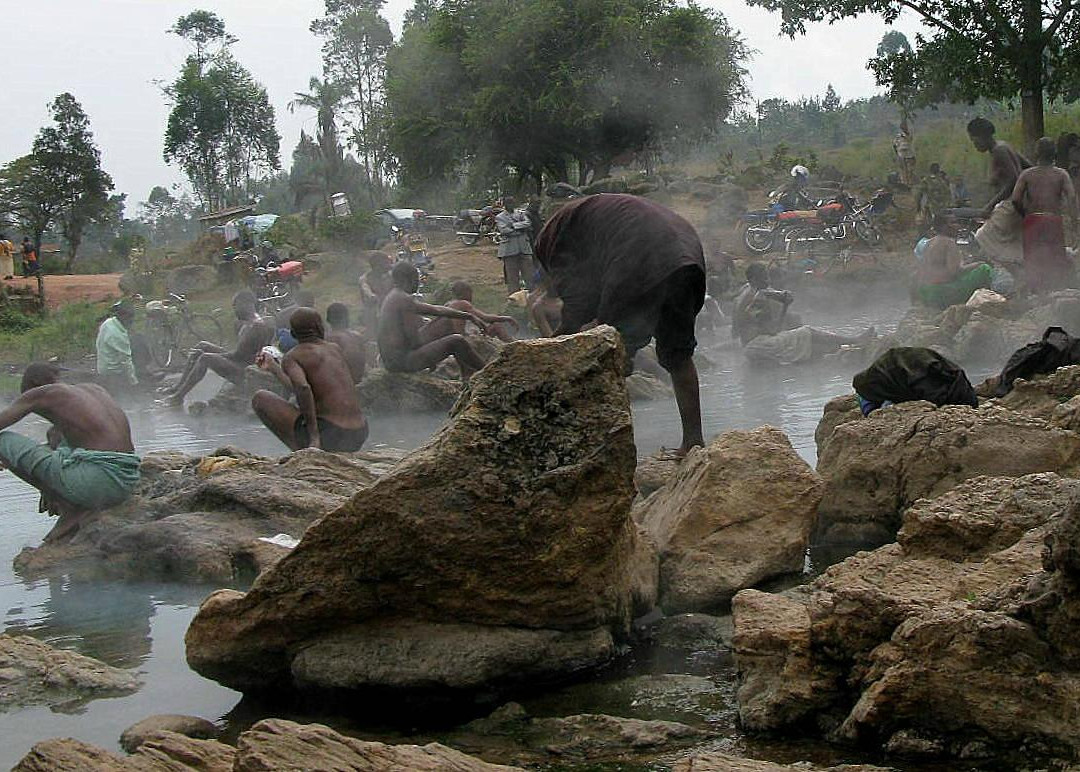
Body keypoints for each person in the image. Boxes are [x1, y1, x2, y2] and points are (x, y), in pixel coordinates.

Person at [534, 193, 706, 455]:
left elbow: (578, 304)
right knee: (678, 356)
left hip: (639, 257)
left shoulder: (554, 240)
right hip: (687, 255)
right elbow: (589, 296)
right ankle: (693, 442)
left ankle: (607, 449)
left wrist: (548, 351)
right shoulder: (587, 217)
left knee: (612, 354)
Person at [0, 362, 140, 542]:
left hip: (96, 484)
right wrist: (49, 485)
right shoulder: (94, 390)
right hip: (125, 482)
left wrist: (50, 489)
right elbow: (55, 437)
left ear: (34, 384)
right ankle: (69, 498)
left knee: (2, 441)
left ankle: (70, 508)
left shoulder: (43, 393)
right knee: (54, 436)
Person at [251, 308, 368, 452]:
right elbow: (303, 388)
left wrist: (314, 437)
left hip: (332, 433)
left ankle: (302, 454)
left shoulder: (294, 356)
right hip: (360, 431)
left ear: (293, 334)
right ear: (321, 327)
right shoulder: (334, 349)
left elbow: (302, 388)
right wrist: (273, 368)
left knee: (260, 398)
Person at [733, 263, 875, 365]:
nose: (767, 280)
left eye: (767, 277)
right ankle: (852, 341)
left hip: (751, 346)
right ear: (753, 279)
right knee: (806, 332)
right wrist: (785, 307)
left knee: (801, 333)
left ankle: (844, 349)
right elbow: (772, 330)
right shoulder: (757, 298)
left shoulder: (747, 291)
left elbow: (738, 328)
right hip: (759, 347)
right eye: (764, 278)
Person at [378, 262, 490, 381]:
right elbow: (413, 340)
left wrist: (468, 316)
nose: (418, 283)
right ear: (407, 279)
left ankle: (466, 372)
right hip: (401, 361)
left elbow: (436, 309)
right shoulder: (404, 299)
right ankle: (490, 373)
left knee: (445, 321)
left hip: (395, 358)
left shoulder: (396, 295)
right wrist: (431, 357)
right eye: (416, 279)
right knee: (457, 341)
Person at [163, 290, 273, 407]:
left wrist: (213, 356)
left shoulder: (256, 327)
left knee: (205, 358)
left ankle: (178, 397)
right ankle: (178, 387)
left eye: (235, 306)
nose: (234, 310)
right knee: (203, 345)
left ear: (245, 304)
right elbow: (238, 353)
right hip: (240, 360)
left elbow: (237, 356)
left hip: (246, 371)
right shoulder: (245, 324)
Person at [1011, 136, 1079, 293]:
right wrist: (1074, 222)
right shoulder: (1061, 174)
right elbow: (1072, 197)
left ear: (1036, 153)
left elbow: (1015, 199)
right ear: (1054, 154)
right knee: (1055, 258)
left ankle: (1035, 293)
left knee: (1033, 259)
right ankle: (1055, 292)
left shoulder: (1027, 175)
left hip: (1032, 220)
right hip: (1052, 219)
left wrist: (1025, 215)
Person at [914, 214, 994, 308]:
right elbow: (955, 272)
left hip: (925, 292)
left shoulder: (930, 242)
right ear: (943, 226)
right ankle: (984, 301)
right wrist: (977, 264)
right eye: (953, 222)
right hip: (940, 293)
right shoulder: (949, 243)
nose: (958, 226)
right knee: (984, 268)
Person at [420, 280, 519, 343]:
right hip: (460, 341)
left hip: (448, 340)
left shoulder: (449, 304)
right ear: (466, 292)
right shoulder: (463, 304)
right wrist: (507, 318)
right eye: (471, 293)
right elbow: (486, 318)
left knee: (476, 331)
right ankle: (514, 345)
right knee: (496, 325)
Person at [495, 195, 534, 294]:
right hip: (509, 250)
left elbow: (528, 223)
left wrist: (513, 226)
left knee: (529, 275)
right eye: (508, 203)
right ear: (504, 205)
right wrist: (521, 230)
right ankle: (514, 299)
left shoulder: (521, 213)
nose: (510, 205)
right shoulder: (500, 217)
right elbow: (504, 230)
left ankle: (531, 296)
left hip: (524, 248)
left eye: (512, 202)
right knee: (512, 278)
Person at [95, 301, 138, 391]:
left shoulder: (108, 323)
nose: (132, 321)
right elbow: (126, 361)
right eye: (131, 318)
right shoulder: (118, 335)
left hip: (102, 367)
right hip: (113, 373)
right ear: (125, 317)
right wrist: (134, 383)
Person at [324, 302, 366, 384]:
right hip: (359, 379)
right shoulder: (357, 336)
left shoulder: (329, 338)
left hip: (344, 384)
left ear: (328, 320)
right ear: (347, 318)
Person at [359, 251, 394, 335]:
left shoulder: (390, 276)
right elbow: (370, 296)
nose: (389, 266)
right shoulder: (365, 280)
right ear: (377, 266)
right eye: (386, 263)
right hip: (374, 313)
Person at [893, 121, 916, 186]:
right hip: (901, 155)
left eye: (905, 127)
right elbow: (894, 145)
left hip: (909, 154)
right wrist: (897, 154)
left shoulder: (909, 134)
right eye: (903, 127)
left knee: (910, 170)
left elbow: (910, 139)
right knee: (903, 170)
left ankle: (910, 182)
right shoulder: (898, 136)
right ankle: (905, 184)